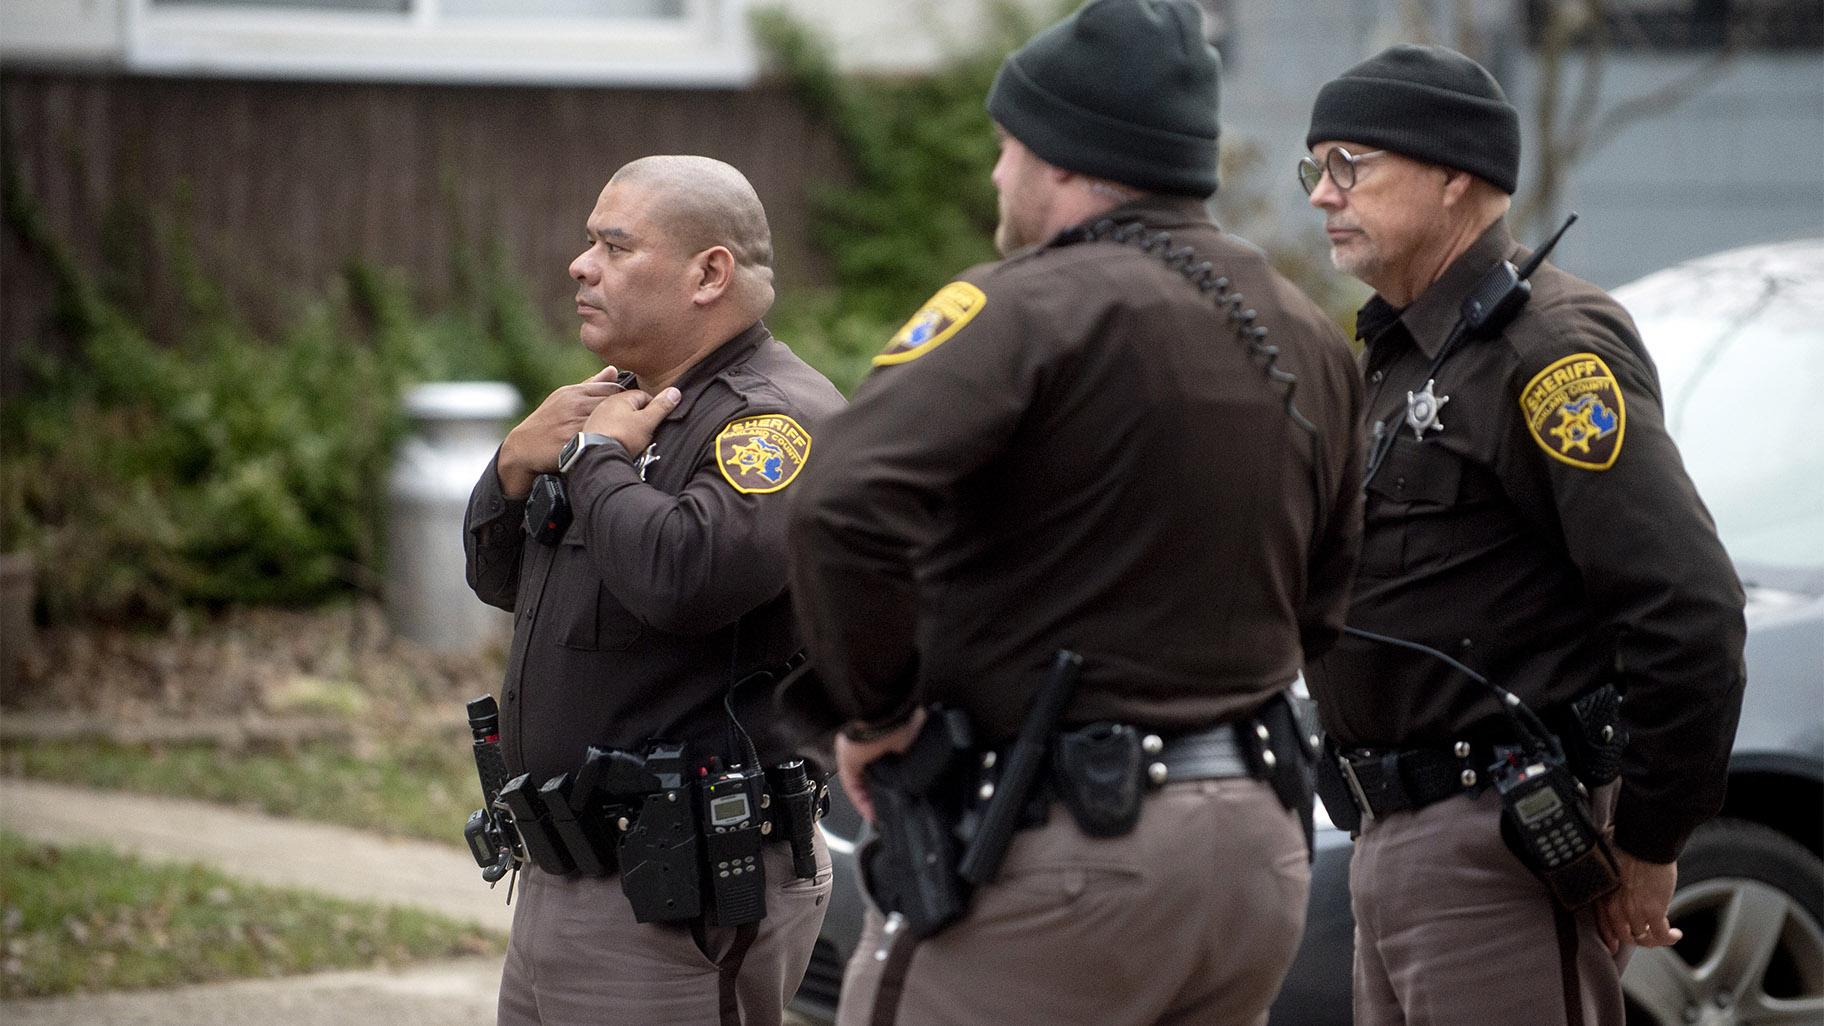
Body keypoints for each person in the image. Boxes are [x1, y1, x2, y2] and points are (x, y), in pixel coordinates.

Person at [783, 3, 1365, 1024]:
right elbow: (1329, 592)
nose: (996, 174)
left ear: (1062, 157)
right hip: (1256, 856)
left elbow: (840, 505)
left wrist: (877, 712)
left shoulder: (1024, 306)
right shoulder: (1311, 333)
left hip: (1066, 854)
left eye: (1008, 147)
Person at [1298, 44, 1748, 1026]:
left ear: (1455, 174)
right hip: (1390, 840)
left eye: (1350, 164)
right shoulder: (1396, 353)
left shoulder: (1549, 350)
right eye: (1313, 169)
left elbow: (1687, 608)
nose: (1323, 195)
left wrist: (1652, 838)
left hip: (1497, 847)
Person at [463, 154, 844, 1026]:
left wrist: (596, 462)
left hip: (679, 897)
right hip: (565, 875)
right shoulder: (621, 403)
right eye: (588, 242)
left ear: (709, 273)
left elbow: (683, 578)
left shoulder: (772, 420)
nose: (580, 264)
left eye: (613, 245)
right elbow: (502, 578)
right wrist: (517, 463)